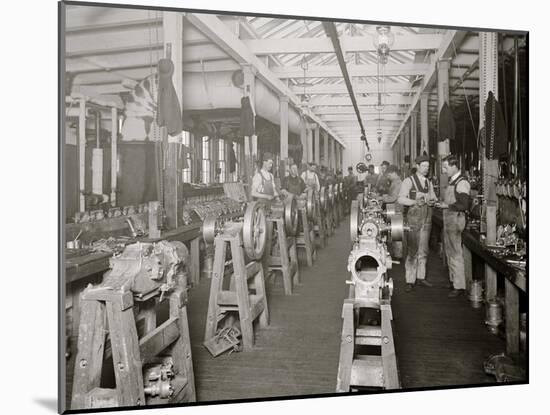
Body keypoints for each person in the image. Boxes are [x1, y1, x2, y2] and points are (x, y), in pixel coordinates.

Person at [398, 155, 438, 292]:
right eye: (424, 166)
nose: (427, 169)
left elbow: (434, 197)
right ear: (417, 166)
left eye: (428, 166)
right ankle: (410, 280)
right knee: (412, 251)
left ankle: (421, 277)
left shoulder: (428, 182)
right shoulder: (408, 181)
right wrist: (414, 202)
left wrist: (432, 201)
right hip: (413, 220)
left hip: (427, 219)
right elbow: (401, 199)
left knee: (424, 251)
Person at [439, 155, 471, 298]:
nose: (444, 170)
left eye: (445, 167)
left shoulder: (462, 182)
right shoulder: (453, 181)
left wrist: (447, 205)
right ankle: (453, 281)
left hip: (456, 221)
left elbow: (464, 205)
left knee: (456, 253)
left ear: (454, 166)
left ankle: (459, 286)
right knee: (450, 252)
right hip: (449, 221)